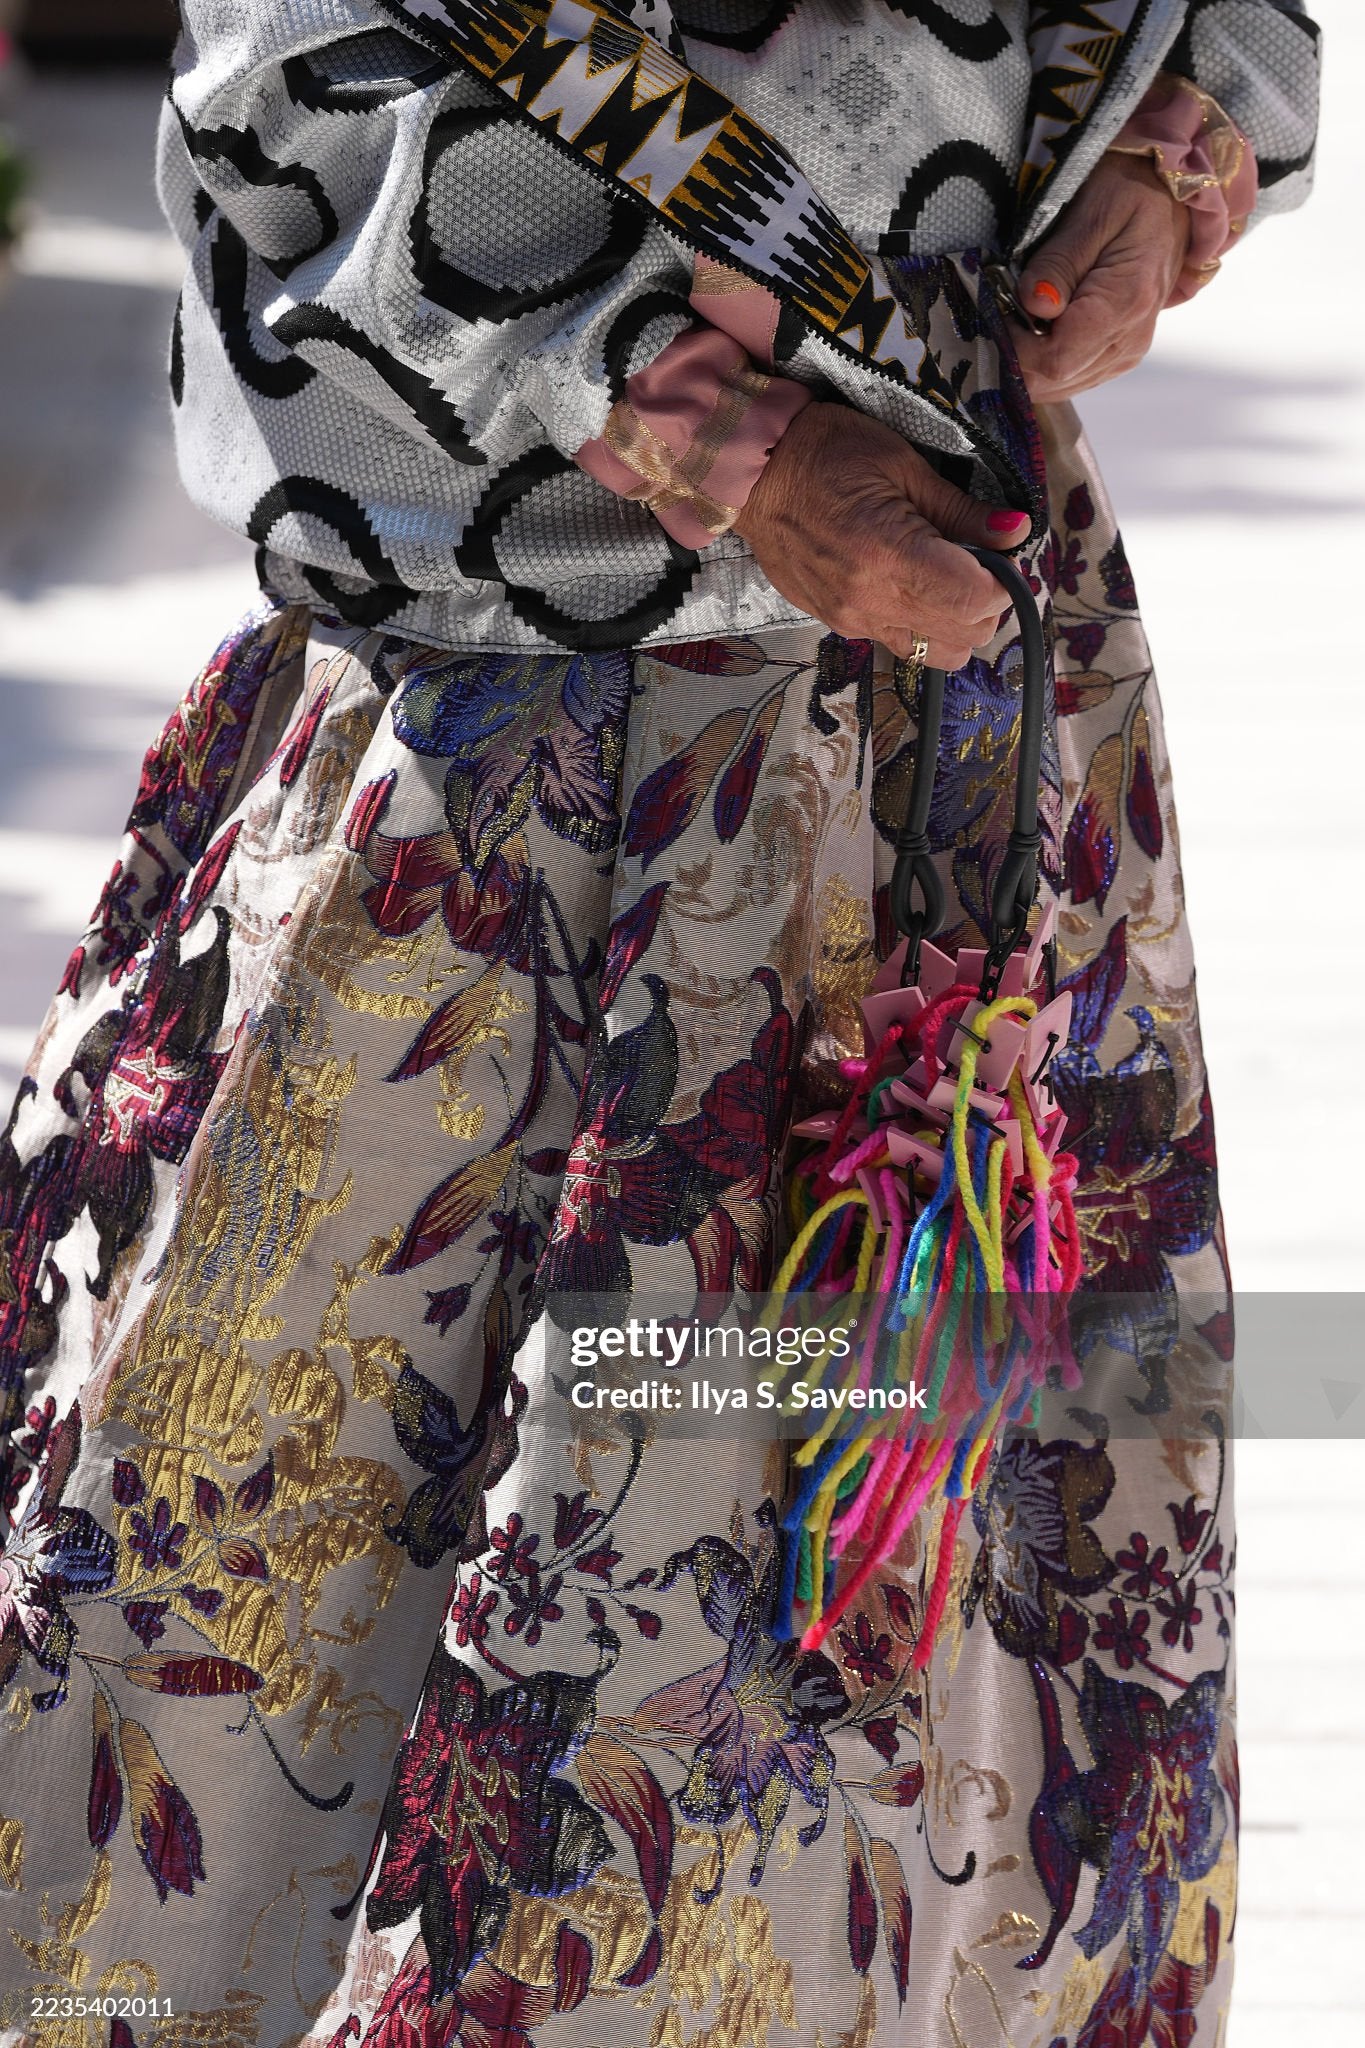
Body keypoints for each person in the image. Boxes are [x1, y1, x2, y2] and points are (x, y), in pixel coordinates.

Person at [0, 3, 1318, 2043]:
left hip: (961, 792)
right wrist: (735, 437)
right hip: (499, 755)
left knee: (935, 1671)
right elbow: (301, 58)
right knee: (290, 1658)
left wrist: (1165, 158)